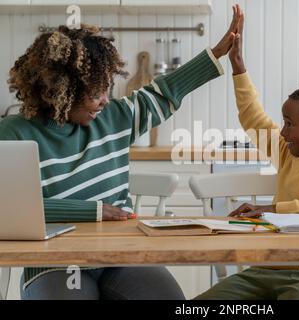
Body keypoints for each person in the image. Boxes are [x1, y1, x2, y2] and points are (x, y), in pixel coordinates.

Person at [0, 5, 242, 300]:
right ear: (60, 91)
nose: (104, 100)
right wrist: (95, 211)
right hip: (54, 261)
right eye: (94, 93)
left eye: (106, 89)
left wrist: (216, 53)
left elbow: (162, 93)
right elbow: (9, 212)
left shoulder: (113, 118)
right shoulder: (13, 133)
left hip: (121, 253)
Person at [195, 10, 299, 300]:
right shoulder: (288, 151)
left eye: (289, 124)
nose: (282, 133)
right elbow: (254, 119)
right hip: (263, 269)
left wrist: (273, 210)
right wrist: (238, 66)